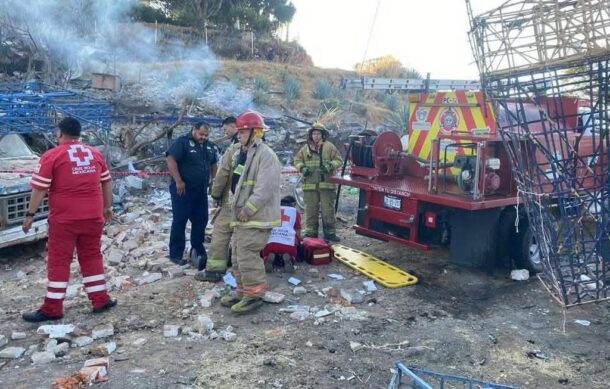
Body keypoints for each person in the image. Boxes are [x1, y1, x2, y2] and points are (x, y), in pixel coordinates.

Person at [21, 117, 116, 322]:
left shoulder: (52, 156)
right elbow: (107, 182)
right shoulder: (95, 154)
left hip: (65, 220)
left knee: (59, 261)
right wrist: (107, 207)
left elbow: (39, 188)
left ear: (59, 133)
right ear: (79, 134)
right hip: (93, 217)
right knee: (92, 257)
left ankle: (52, 308)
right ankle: (100, 300)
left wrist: (30, 214)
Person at [219, 111, 281, 314]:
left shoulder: (266, 155)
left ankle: (254, 296)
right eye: (239, 132)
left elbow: (264, 189)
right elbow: (237, 184)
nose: (239, 135)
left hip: (256, 217)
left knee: (247, 254)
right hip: (241, 216)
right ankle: (242, 291)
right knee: (237, 255)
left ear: (256, 133)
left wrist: (247, 209)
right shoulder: (243, 154)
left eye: (243, 132)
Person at [166, 122, 218, 267]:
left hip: (200, 191)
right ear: (194, 130)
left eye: (206, 135)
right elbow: (170, 159)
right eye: (201, 134)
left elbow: (213, 164)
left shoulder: (209, 146)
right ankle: (176, 254)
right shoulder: (182, 143)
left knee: (201, 221)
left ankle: (197, 249)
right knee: (180, 221)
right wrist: (178, 180)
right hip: (182, 191)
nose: (203, 137)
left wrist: (214, 181)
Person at [193, 140, 241, 282]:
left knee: (221, 232)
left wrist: (216, 194)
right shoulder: (265, 152)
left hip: (232, 200)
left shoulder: (235, 150)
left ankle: (214, 271)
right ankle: (243, 272)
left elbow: (222, 175)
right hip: (254, 204)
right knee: (245, 237)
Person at [293, 122, 343, 242]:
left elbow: (339, 160)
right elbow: (297, 160)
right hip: (309, 186)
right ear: (311, 135)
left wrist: (329, 166)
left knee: (328, 211)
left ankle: (330, 234)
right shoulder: (305, 149)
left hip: (326, 186)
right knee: (311, 210)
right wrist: (302, 168)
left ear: (323, 135)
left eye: (318, 134)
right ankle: (311, 233)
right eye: (314, 133)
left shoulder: (329, 147)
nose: (316, 136)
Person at [261, 195, 301, 273]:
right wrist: (298, 242)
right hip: (287, 244)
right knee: (293, 249)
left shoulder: (272, 210)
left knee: (266, 249)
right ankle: (290, 257)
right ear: (293, 204)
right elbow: (297, 230)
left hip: (271, 243)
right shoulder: (295, 212)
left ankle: (267, 257)